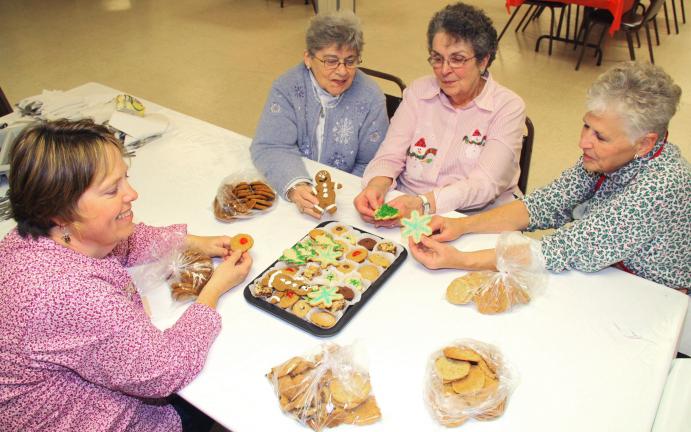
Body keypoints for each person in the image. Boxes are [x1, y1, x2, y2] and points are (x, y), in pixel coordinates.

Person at [0, 119, 253, 431]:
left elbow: (122, 239)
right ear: (61, 212)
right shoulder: (71, 295)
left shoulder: (40, 235)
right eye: (112, 190)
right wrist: (213, 290)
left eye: (126, 179)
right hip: (101, 420)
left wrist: (198, 243)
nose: (132, 194)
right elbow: (165, 370)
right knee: (225, 391)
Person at [409, 62, 690, 292]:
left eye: (600, 136)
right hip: (605, 276)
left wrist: (460, 260)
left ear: (644, 143)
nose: (584, 142)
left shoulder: (660, 187)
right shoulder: (608, 155)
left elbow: (562, 249)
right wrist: (462, 226)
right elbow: (543, 205)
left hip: (649, 296)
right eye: (586, 126)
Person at [354, 2, 525, 224]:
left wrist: (423, 204)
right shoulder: (418, 92)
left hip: (472, 221)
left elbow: (485, 184)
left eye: (457, 59)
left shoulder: (507, 107)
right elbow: (390, 154)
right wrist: (377, 184)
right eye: (437, 58)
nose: (444, 70)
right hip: (407, 211)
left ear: (483, 60)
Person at [250, 12, 388, 219]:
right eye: (331, 61)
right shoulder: (287, 86)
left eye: (350, 61)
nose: (342, 71)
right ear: (308, 58)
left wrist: (343, 197)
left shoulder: (371, 96)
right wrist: (296, 186)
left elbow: (374, 162)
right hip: (293, 185)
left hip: (346, 202)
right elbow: (271, 145)